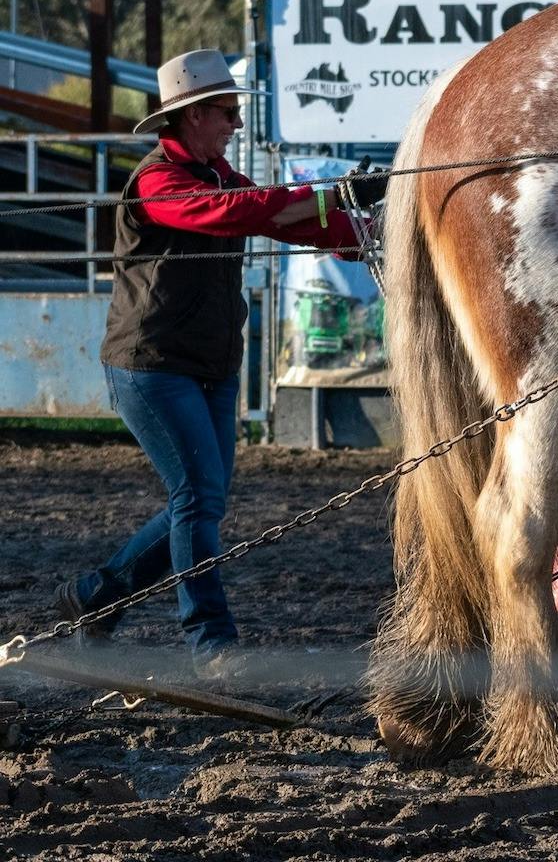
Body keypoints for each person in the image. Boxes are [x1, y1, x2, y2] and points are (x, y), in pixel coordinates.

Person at [52, 49, 386, 680]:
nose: (235, 124)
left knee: (200, 501)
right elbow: (238, 213)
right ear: (192, 117)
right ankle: (211, 643)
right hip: (151, 365)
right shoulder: (158, 181)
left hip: (207, 363)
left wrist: (351, 225)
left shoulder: (220, 177)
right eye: (228, 113)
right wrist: (323, 200)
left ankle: (94, 597)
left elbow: (278, 216)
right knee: (199, 499)